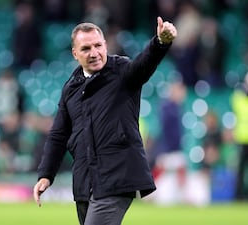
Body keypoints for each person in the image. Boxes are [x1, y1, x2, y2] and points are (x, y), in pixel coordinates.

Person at [33, 17, 177, 225]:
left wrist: (160, 42)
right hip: (84, 181)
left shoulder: (122, 70)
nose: (94, 53)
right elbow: (59, 134)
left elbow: (144, 65)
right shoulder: (71, 88)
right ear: (75, 54)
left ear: (105, 45)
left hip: (117, 176)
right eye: (86, 48)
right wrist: (46, 174)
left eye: (98, 45)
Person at [231, 70, 248, 200]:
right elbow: (237, 103)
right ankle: (239, 195)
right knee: (241, 171)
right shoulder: (240, 97)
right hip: (243, 139)